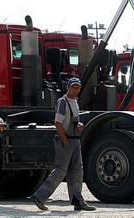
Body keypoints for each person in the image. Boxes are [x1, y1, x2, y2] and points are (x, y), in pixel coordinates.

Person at [31, 77, 96, 211]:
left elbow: (72, 121)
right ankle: (39, 197)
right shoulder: (63, 102)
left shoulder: (75, 102)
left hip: (75, 140)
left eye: (78, 87)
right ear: (68, 87)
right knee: (60, 171)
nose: (76, 89)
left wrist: (79, 126)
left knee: (77, 171)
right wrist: (65, 141)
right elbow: (58, 123)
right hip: (66, 141)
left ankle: (78, 201)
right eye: (74, 87)